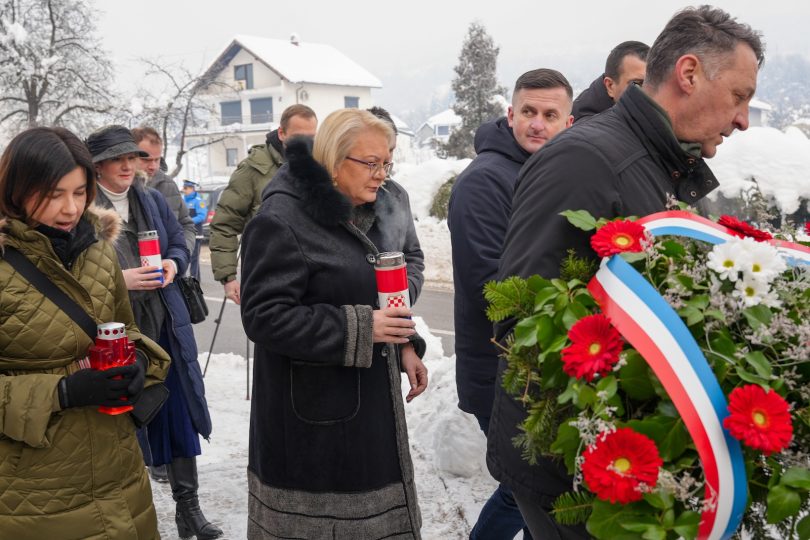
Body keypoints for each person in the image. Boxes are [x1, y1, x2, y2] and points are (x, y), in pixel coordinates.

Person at [489, 6, 764, 539]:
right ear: (688, 74)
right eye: (739, 96)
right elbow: (518, 322)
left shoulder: (662, 162)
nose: (742, 119)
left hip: (624, 465)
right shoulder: (585, 162)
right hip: (572, 476)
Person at [240, 109, 428, 538]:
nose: (382, 174)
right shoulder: (282, 219)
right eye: (371, 163)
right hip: (309, 416)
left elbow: (403, 264)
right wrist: (363, 328)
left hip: (372, 404)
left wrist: (403, 341)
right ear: (332, 159)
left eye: (388, 162)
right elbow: (263, 316)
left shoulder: (385, 200)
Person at [0, 127, 170, 539]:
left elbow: (125, 329)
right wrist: (63, 393)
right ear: (17, 188)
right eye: (54, 194)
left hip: (119, 471)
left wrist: (140, 363)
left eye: (80, 192)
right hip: (33, 491)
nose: (70, 208)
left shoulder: (98, 249)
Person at [448, 68, 574, 540]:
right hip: (500, 370)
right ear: (510, 114)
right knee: (527, 490)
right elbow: (491, 289)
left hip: (533, 367)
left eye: (549, 114)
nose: (537, 124)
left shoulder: (547, 172)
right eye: (528, 112)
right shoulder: (485, 182)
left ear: (569, 120)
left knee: (530, 490)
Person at [87, 125, 223, 540]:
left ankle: (189, 511)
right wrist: (119, 279)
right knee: (124, 425)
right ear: (96, 166)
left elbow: (182, 244)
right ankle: (132, 515)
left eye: (133, 157)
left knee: (178, 414)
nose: (129, 165)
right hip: (116, 332)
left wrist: (173, 264)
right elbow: (74, 275)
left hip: (165, 323)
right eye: (118, 159)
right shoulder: (83, 210)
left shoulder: (150, 200)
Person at [210, 104, 317, 305]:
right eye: (298, 137)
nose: (305, 144)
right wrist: (228, 277)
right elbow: (225, 224)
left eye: (311, 138)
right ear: (282, 133)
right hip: (269, 274)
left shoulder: (317, 167)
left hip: (312, 275)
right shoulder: (253, 170)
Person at [133, 126, 197, 255]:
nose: (153, 166)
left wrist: (178, 258)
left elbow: (187, 226)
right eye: (146, 160)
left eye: (157, 160)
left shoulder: (168, 185)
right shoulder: (118, 189)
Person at [572, 40, 650, 122]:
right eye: (637, 84)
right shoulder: (588, 127)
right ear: (610, 86)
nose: (649, 93)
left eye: (654, 84)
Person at [182, 179, 206, 281]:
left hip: (196, 234)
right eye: (183, 188)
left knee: (194, 258)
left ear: (192, 188)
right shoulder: (183, 200)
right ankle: (192, 279)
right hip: (185, 234)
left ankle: (194, 279)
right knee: (187, 257)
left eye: (186, 188)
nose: (184, 190)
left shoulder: (198, 201)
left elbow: (202, 216)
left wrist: (188, 221)